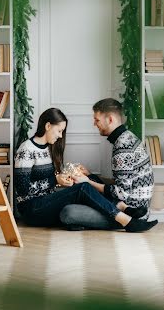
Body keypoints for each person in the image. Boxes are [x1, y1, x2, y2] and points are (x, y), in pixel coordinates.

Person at [14, 107, 157, 233]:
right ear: (47, 126)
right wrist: (55, 180)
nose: (60, 135)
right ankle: (127, 221)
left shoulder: (47, 149)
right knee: (82, 187)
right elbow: (22, 190)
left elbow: (45, 184)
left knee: (88, 182)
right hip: (31, 210)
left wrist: (64, 180)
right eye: (59, 130)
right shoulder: (26, 149)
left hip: (45, 202)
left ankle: (121, 206)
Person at [60, 98, 156, 231]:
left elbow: (121, 193)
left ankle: (127, 221)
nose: (94, 124)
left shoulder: (122, 147)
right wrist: (90, 176)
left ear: (110, 120)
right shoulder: (127, 137)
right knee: (89, 184)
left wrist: (88, 181)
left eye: (97, 120)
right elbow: (121, 183)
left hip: (130, 212)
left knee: (68, 213)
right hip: (130, 203)